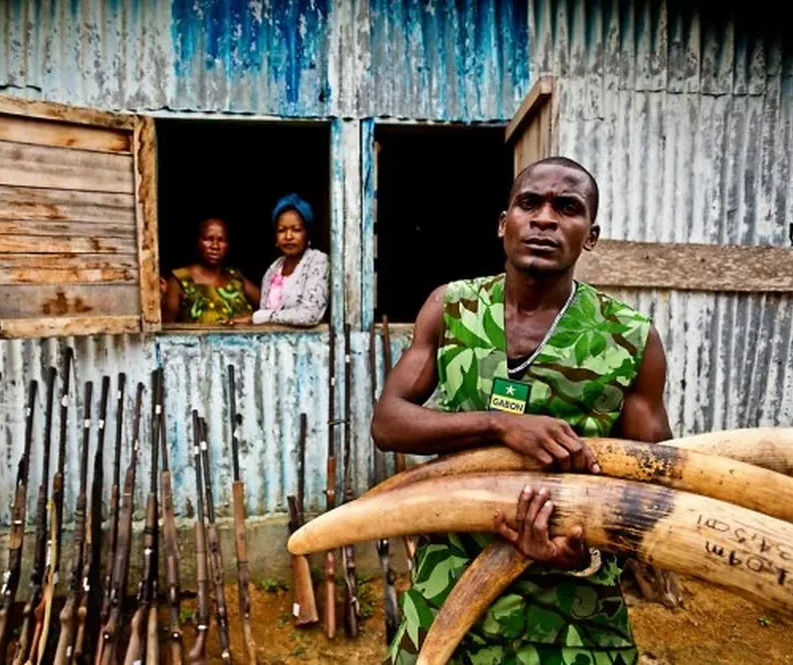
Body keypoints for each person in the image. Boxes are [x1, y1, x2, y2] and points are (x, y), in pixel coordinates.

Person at [372, 156, 672, 665]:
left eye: (567, 208)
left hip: (570, 618)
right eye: (529, 203)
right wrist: (500, 425)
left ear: (591, 235)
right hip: (450, 593)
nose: (545, 219)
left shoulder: (630, 339)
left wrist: (587, 553)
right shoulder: (451, 308)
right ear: (502, 221)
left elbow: (655, 487)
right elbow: (388, 420)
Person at [226, 193, 329, 327]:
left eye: (296, 230)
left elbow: (309, 314)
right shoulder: (273, 269)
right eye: (282, 230)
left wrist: (257, 317)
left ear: (307, 234)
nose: (288, 236)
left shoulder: (318, 261)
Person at [162, 217, 260, 324]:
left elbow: (269, 304)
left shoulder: (236, 278)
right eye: (208, 239)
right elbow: (167, 325)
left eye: (221, 240)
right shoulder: (180, 280)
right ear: (197, 241)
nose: (215, 246)